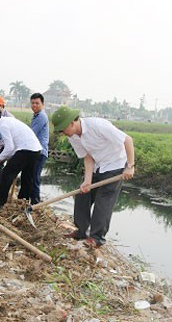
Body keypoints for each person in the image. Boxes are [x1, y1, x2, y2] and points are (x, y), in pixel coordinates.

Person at [52, 106, 135, 248]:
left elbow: (127, 140)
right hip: (98, 165)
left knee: (103, 200)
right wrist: (87, 181)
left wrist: (130, 166)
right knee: (82, 194)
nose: (62, 133)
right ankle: (82, 231)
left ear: (72, 123)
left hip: (115, 164)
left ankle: (97, 238)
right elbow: (88, 157)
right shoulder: (73, 136)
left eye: (62, 129)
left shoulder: (98, 125)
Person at [0, 116, 42, 207]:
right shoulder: (7, 121)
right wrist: (9, 156)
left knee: (7, 172)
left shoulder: (3, 125)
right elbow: (13, 143)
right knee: (27, 176)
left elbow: (9, 146)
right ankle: (23, 200)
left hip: (27, 149)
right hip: (36, 149)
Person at [30, 93, 49, 204]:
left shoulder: (41, 116)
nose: (34, 105)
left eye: (37, 103)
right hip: (36, 151)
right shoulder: (36, 116)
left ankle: (35, 203)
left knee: (34, 178)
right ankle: (31, 200)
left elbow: (32, 133)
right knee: (32, 176)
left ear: (42, 104)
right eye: (32, 103)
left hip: (40, 152)